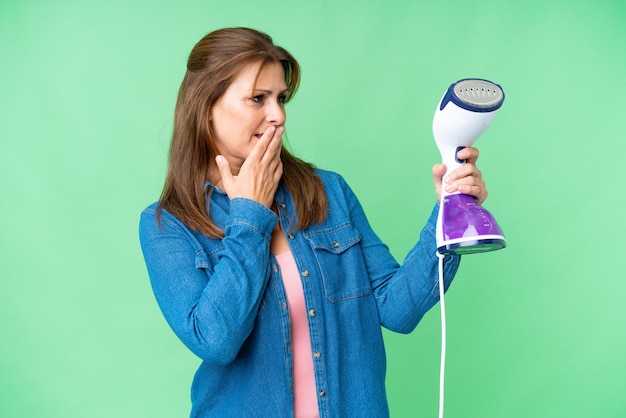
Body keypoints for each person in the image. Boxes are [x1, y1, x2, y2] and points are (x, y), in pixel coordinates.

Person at [139, 27, 488, 418]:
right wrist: (250, 213)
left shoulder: (329, 191)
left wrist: (449, 212)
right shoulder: (167, 225)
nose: (278, 116)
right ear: (205, 106)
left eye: (281, 98)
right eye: (258, 99)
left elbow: (396, 309)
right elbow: (215, 340)